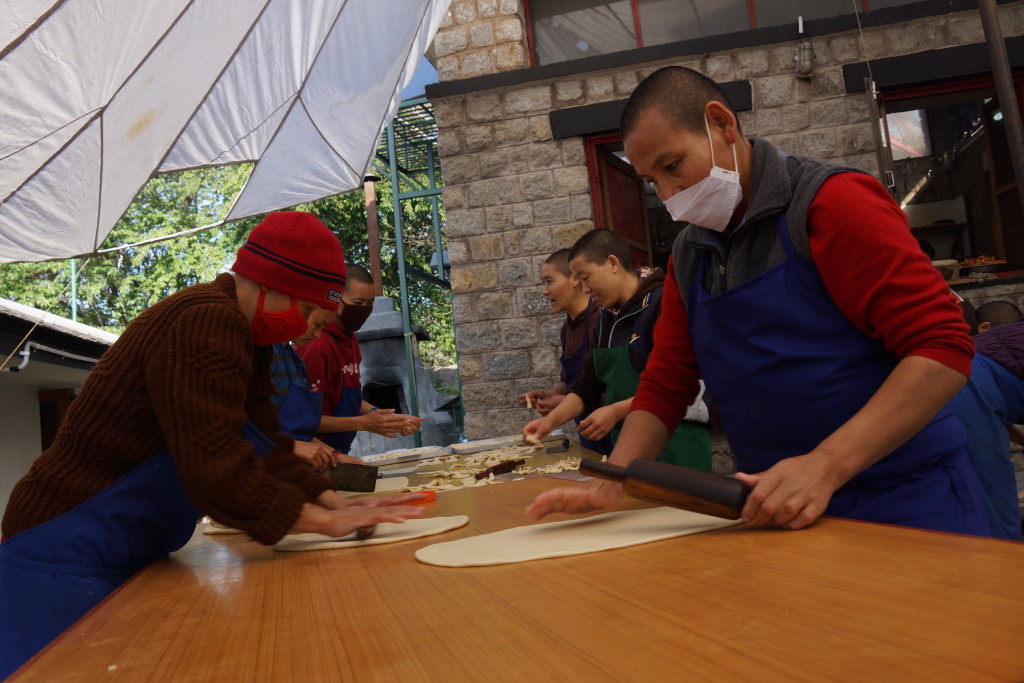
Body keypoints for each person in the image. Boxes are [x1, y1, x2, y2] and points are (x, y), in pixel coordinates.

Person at [526, 66, 992, 537]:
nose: (669, 196)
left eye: (673, 166)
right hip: (771, 505)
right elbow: (667, 382)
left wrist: (825, 465)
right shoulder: (691, 254)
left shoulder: (831, 203)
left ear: (723, 125)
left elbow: (940, 347)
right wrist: (618, 480)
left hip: (903, 499)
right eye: (652, 181)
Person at [0, 212, 426, 678]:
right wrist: (325, 522)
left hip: (119, 545)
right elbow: (217, 466)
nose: (304, 328)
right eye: (306, 312)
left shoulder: (249, 337)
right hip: (60, 546)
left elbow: (268, 445)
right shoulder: (203, 320)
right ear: (270, 284)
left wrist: (330, 497)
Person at [522, 229, 711, 470]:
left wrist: (615, 411)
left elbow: (688, 388)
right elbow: (588, 386)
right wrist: (549, 422)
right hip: (627, 450)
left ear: (612, 263)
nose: (586, 289)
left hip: (676, 446)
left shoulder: (662, 304)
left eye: (586, 277)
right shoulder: (605, 319)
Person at [298, 263, 423, 454]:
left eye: (370, 303)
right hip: (317, 455)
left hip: (339, 452)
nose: (364, 310)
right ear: (336, 299)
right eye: (357, 303)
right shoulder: (317, 346)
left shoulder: (349, 338)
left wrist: (384, 417)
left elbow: (347, 400)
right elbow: (302, 419)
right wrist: (364, 423)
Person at [517, 248, 611, 454]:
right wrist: (549, 394)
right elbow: (570, 382)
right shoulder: (566, 328)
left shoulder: (602, 320)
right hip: (587, 433)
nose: (544, 291)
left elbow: (608, 388)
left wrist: (567, 402)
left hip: (612, 431)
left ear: (574, 280)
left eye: (549, 281)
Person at [951, 318, 1024, 540]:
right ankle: (1009, 568)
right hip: (966, 389)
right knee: (996, 506)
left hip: (952, 376)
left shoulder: (1011, 336)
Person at [269, 308, 365, 471]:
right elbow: (253, 428)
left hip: (298, 470)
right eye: (318, 325)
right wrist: (291, 446)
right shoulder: (266, 353)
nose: (317, 335)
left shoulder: (295, 360)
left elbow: (299, 429)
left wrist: (335, 455)